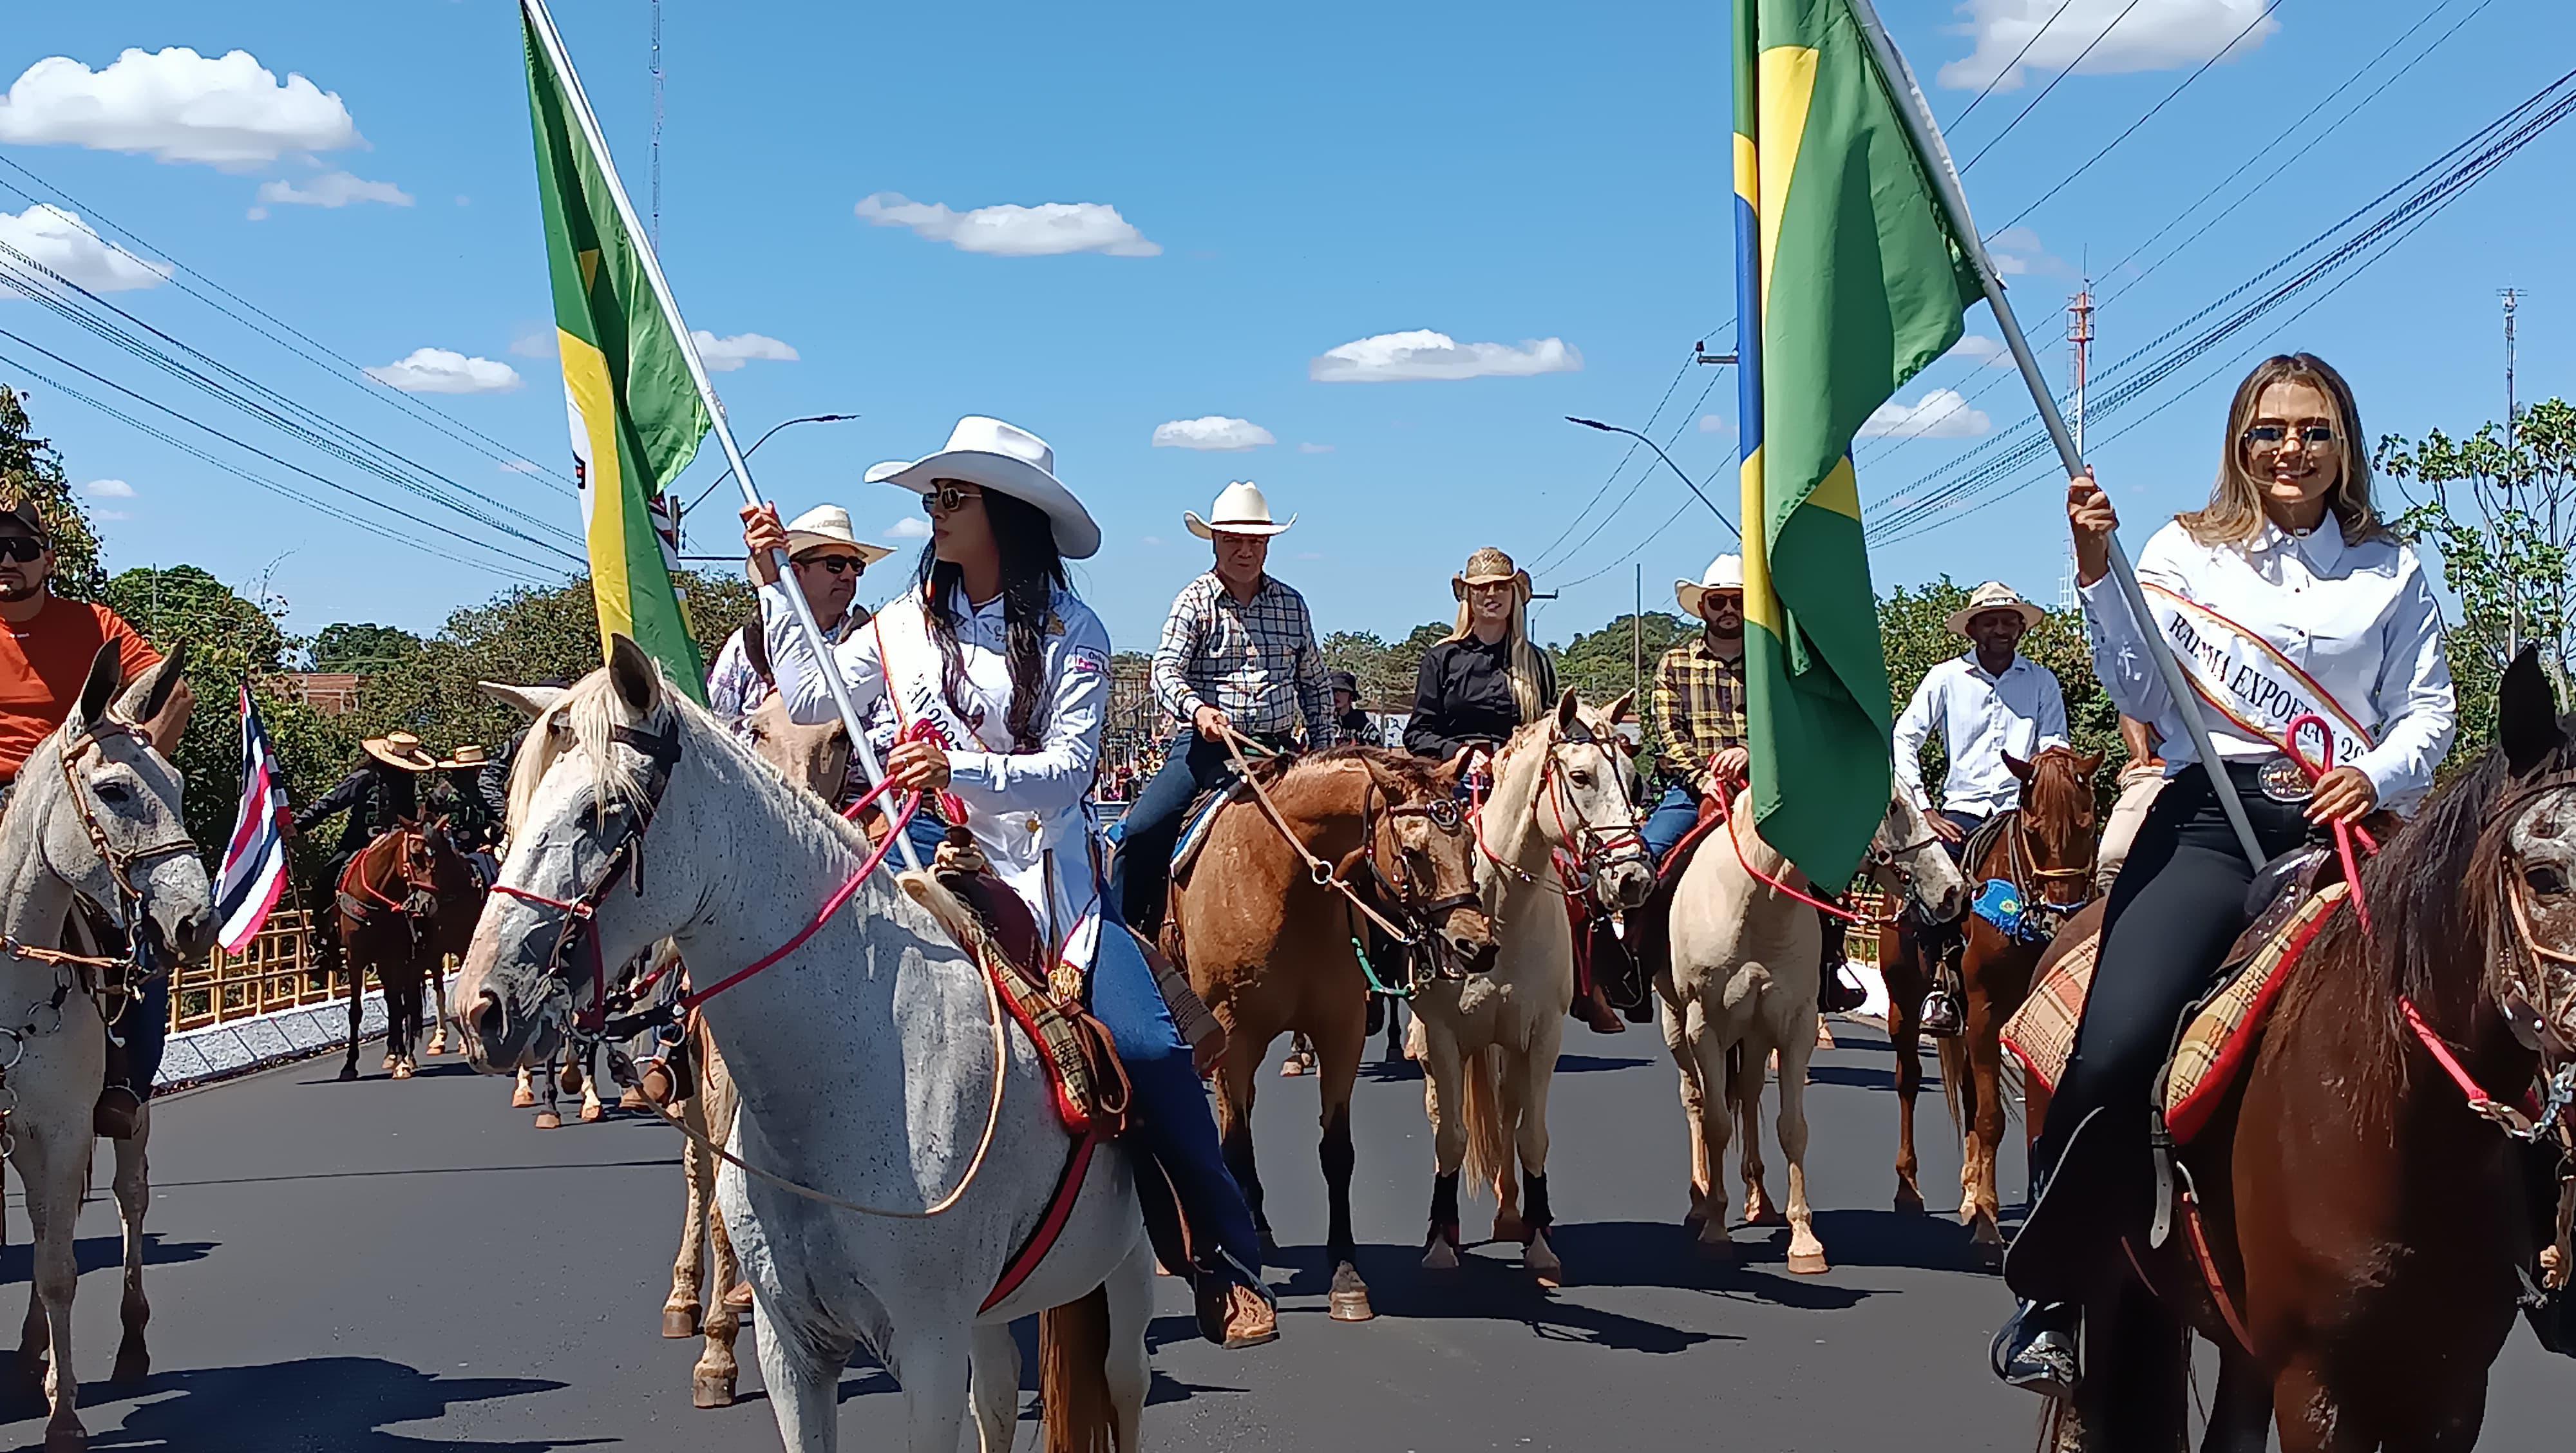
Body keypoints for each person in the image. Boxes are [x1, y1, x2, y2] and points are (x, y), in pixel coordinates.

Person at [746, 414, 1280, 1350]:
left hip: (1044, 886)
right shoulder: (900, 625)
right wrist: (774, 586)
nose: (935, 513)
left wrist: (960, 770)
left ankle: (1220, 1257)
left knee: (1151, 1049)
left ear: (1007, 514)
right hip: (922, 862)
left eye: (952, 497)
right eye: (935, 498)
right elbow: (808, 695)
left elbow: (1072, 772)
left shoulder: (1078, 631)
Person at [1993, 354, 2455, 1398]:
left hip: (2355, 823)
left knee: (2490, 1016)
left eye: (2313, 431)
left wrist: (2372, 770)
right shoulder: (2184, 554)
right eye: (2269, 431)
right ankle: (2056, 1292)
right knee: (2113, 1044)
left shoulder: (2394, 566)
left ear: (2345, 446)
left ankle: (2534, 1260)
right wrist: (2098, 569)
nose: (2291, 450)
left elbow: (2430, 711)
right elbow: (2140, 686)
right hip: (2214, 817)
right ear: (2239, 445)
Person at [0, 494, 189, 1136]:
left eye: (22, 549)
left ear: (47, 558)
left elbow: (173, 690)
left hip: (75, 803)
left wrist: (133, 775)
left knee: (139, 928)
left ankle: (123, 1082)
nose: (7, 560)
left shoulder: (95, 624)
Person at [1632, 555, 1866, 1018]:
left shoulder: (1775, 664)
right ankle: (1637, 968)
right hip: (1691, 788)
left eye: (1737, 601)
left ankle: (1825, 972)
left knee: (1822, 867)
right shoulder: (1675, 663)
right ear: (1703, 607)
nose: (1727, 610)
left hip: (1767, 788)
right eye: (1717, 601)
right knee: (1645, 861)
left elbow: (1794, 728)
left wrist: (1753, 757)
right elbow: (1668, 733)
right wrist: (1703, 780)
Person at [1112, 481, 1338, 939]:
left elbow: (1314, 684)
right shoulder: (1194, 601)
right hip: (1204, 751)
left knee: (1349, 836)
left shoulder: (1293, 605)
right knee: (1140, 832)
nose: (1244, 550)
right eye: (1234, 539)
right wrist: (1198, 711)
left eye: (1254, 540)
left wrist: (1325, 756)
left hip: (1279, 753)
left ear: (1268, 545)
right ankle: (1119, 940)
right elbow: (1165, 670)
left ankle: (1375, 967)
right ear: (1214, 542)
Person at [1890, 580, 2069, 1036]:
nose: (2001, 628)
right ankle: (1939, 984)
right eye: (1991, 621)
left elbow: (2054, 744)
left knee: (2066, 878)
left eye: (2010, 620)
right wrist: (1924, 809)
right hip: (1963, 811)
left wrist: (2049, 786)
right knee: (1937, 889)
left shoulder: (2042, 680)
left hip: (2020, 811)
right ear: (1973, 629)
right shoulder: (1946, 678)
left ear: (2021, 628)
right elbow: (1906, 737)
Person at [705, 504, 889, 719]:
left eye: (856, 565)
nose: (849, 575)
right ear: (796, 572)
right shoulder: (747, 645)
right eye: (836, 565)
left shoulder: (870, 646)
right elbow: (717, 724)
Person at [1403, 547, 1557, 761]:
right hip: (1452, 777)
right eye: (1482, 587)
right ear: (1468, 595)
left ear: (1514, 594)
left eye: (1501, 586)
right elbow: (1417, 735)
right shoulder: (1441, 659)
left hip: (1518, 777)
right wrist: (1459, 753)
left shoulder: (1536, 662)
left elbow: (1553, 730)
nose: (1492, 593)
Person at [2093, 716, 2166, 895]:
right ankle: (2111, 914)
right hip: (2159, 770)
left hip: (2234, 767)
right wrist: (2141, 755)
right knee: (2114, 855)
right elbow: (2132, 711)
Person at [1327, 670, 1374, 747]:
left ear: (1351, 696)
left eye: (1342, 690)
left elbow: (1377, 746)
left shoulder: (1361, 722)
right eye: (1333, 690)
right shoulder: (1324, 722)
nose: (1337, 694)